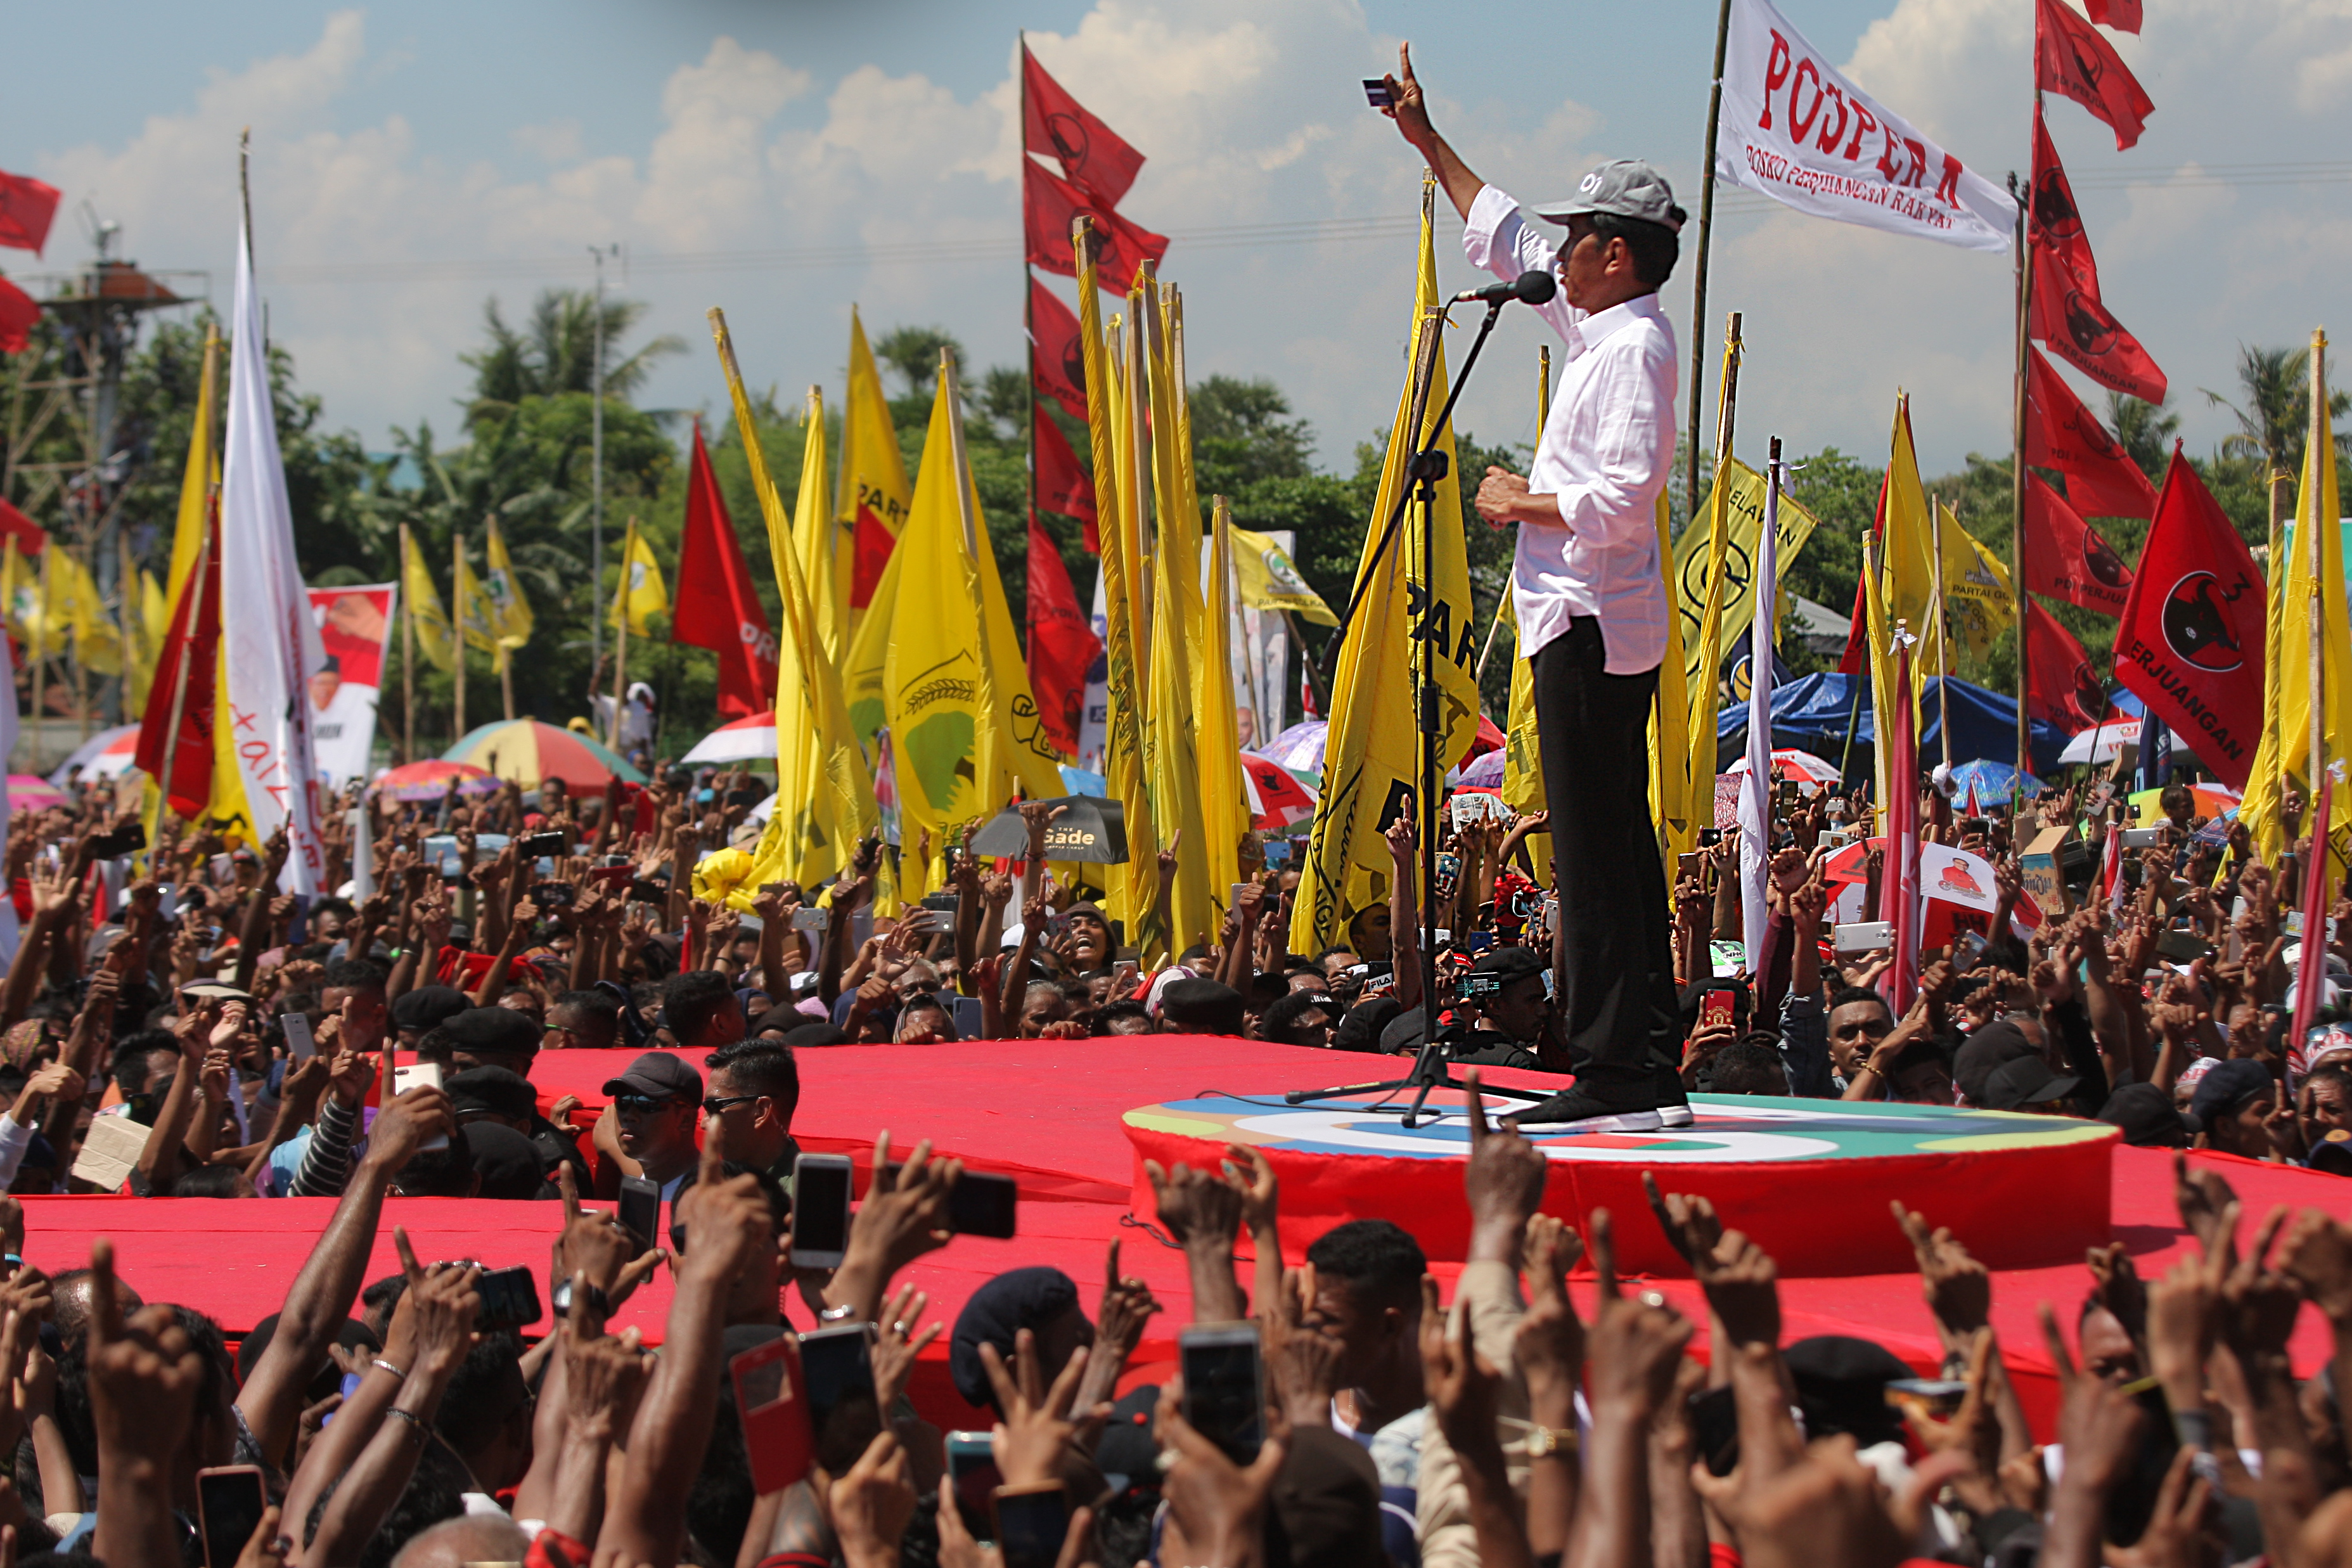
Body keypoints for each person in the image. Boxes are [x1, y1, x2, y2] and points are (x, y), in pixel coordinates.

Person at [1382, 44, 1688, 1131]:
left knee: (1599, 850)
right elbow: (1501, 227)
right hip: (1582, 621)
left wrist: (1519, 500)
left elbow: (1623, 494)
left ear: (1612, 253)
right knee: (1605, 841)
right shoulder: (1598, 325)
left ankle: (1622, 1074)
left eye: (1573, 238)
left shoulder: (1633, 351)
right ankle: (1642, 1062)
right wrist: (1426, 140)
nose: (1552, 251)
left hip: (1592, 624)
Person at [595, 1050, 704, 1198]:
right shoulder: (652, 1183)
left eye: (647, 1103)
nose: (630, 1116)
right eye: (624, 1100)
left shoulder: (707, 1202)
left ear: (686, 1119)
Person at [700, 1038, 800, 1189]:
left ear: (761, 1111)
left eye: (715, 1107)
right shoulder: (709, 1183)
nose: (704, 1123)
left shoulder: (808, 1198)